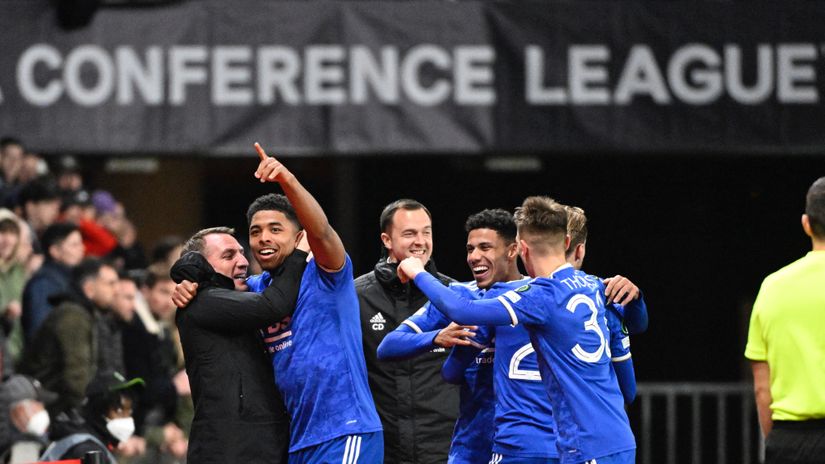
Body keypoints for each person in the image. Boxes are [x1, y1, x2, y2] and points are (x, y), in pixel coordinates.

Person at [397, 196, 636, 464]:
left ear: (521, 249)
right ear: (569, 244)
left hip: (570, 442)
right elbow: (636, 325)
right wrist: (637, 298)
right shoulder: (596, 286)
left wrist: (418, 271)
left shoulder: (536, 297)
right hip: (616, 436)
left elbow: (462, 316)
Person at [245, 147, 382, 462]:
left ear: (299, 238)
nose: (263, 237)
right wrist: (190, 284)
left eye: (275, 229)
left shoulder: (326, 273)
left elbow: (321, 231)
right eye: (256, 232)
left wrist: (287, 179)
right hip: (299, 441)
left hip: (345, 431)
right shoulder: (257, 289)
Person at [377, 208, 522, 464]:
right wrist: (436, 337)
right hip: (470, 447)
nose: (474, 257)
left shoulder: (537, 295)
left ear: (512, 250)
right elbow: (387, 347)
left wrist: (615, 286)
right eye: (470, 249)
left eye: (485, 247)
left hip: (525, 446)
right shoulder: (459, 293)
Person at [170, 226, 307, 464]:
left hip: (256, 445)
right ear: (202, 266)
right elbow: (272, 306)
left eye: (242, 253)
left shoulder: (236, 302)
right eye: (228, 255)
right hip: (231, 449)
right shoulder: (204, 302)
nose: (243, 261)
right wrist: (298, 255)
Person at [354, 198, 457, 463]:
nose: (420, 241)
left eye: (426, 232)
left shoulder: (454, 295)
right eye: (409, 233)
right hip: (382, 448)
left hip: (443, 447)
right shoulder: (356, 297)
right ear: (387, 240)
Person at [745, 176, 825, 463]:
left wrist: (776, 443)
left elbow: (761, 387)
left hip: (790, 442)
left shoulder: (773, 287)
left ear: (806, 224)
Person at [21, 258, 123, 415]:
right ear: (89, 288)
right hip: (49, 408)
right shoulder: (73, 316)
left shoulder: (85, 313)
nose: (117, 290)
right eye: (110, 283)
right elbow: (76, 380)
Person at [41, 370, 144, 464]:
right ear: (98, 408)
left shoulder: (89, 439)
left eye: (129, 411)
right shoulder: (86, 450)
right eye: (119, 410)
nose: (126, 418)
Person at [21, 222, 85, 339]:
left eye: (81, 244)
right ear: (55, 251)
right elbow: (38, 329)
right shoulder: (44, 283)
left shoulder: (69, 279)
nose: (82, 249)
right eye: (74, 245)